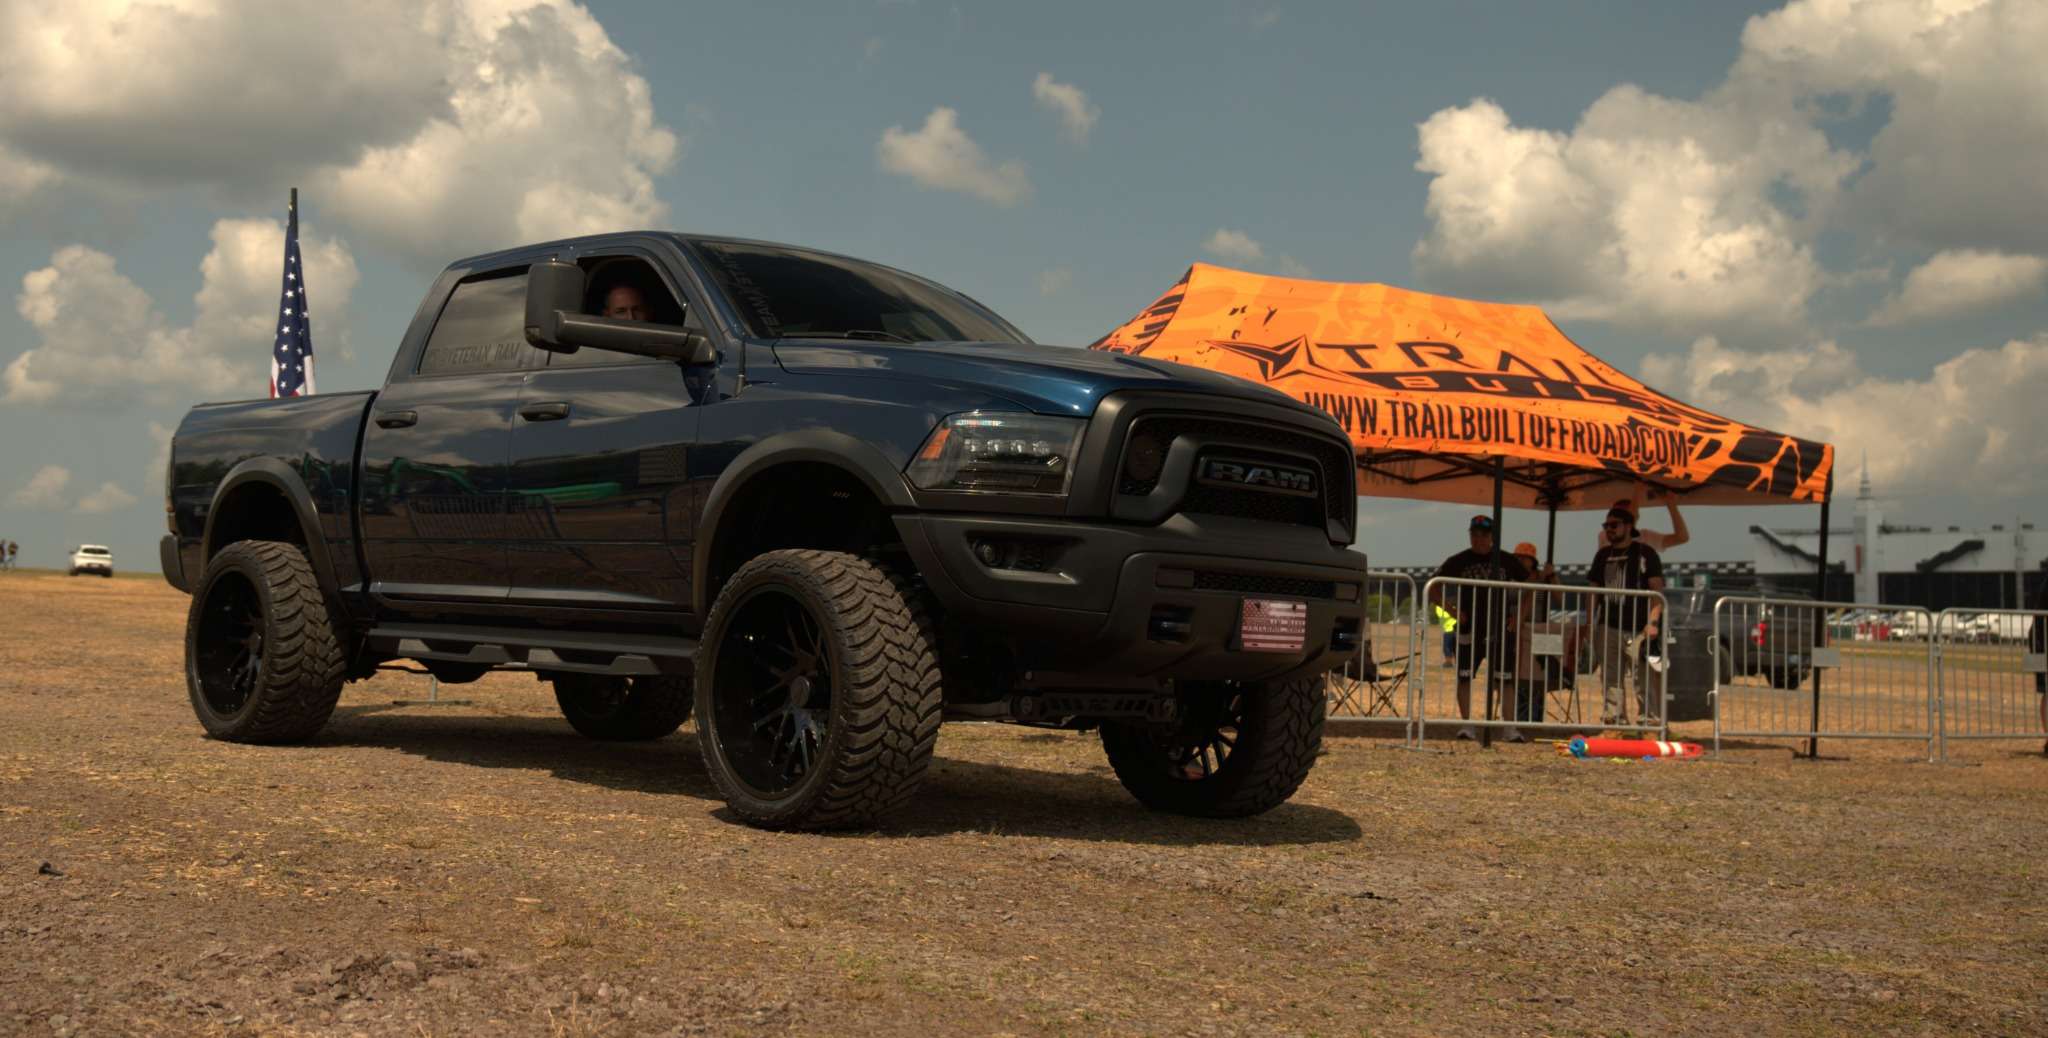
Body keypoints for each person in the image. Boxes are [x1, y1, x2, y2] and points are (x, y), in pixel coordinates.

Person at [1428, 515, 1531, 741]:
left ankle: (1509, 729)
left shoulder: (1506, 560)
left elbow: (1531, 586)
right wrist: (1453, 611)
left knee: (1505, 679)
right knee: (1464, 677)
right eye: (1474, 534)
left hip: (1501, 629)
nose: (1478, 539)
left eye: (1483, 535)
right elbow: (1433, 587)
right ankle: (1467, 726)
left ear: (1492, 536)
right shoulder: (1459, 560)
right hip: (1468, 629)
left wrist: (1519, 617)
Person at [1585, 503, 1666, 727]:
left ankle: (1649, 721)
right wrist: (1590, 622)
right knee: (1610, 676)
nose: (1609, 530)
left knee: (1644, 677)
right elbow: (1592, 591)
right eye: (1606, 525)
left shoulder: (1645, 553)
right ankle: (1614, 720)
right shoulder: (1602, 555)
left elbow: (1657, 591)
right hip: (1608, 625)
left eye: (1614, 525)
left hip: (1639, 627)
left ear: (1628, 526)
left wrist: (1653, 622)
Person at [1593, 485, 1688, 554]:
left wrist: (1671, 505)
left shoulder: (1646, 536)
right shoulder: (1605, 536)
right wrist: (1637, 490)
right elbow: (1630, 525)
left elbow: (1681, 537)